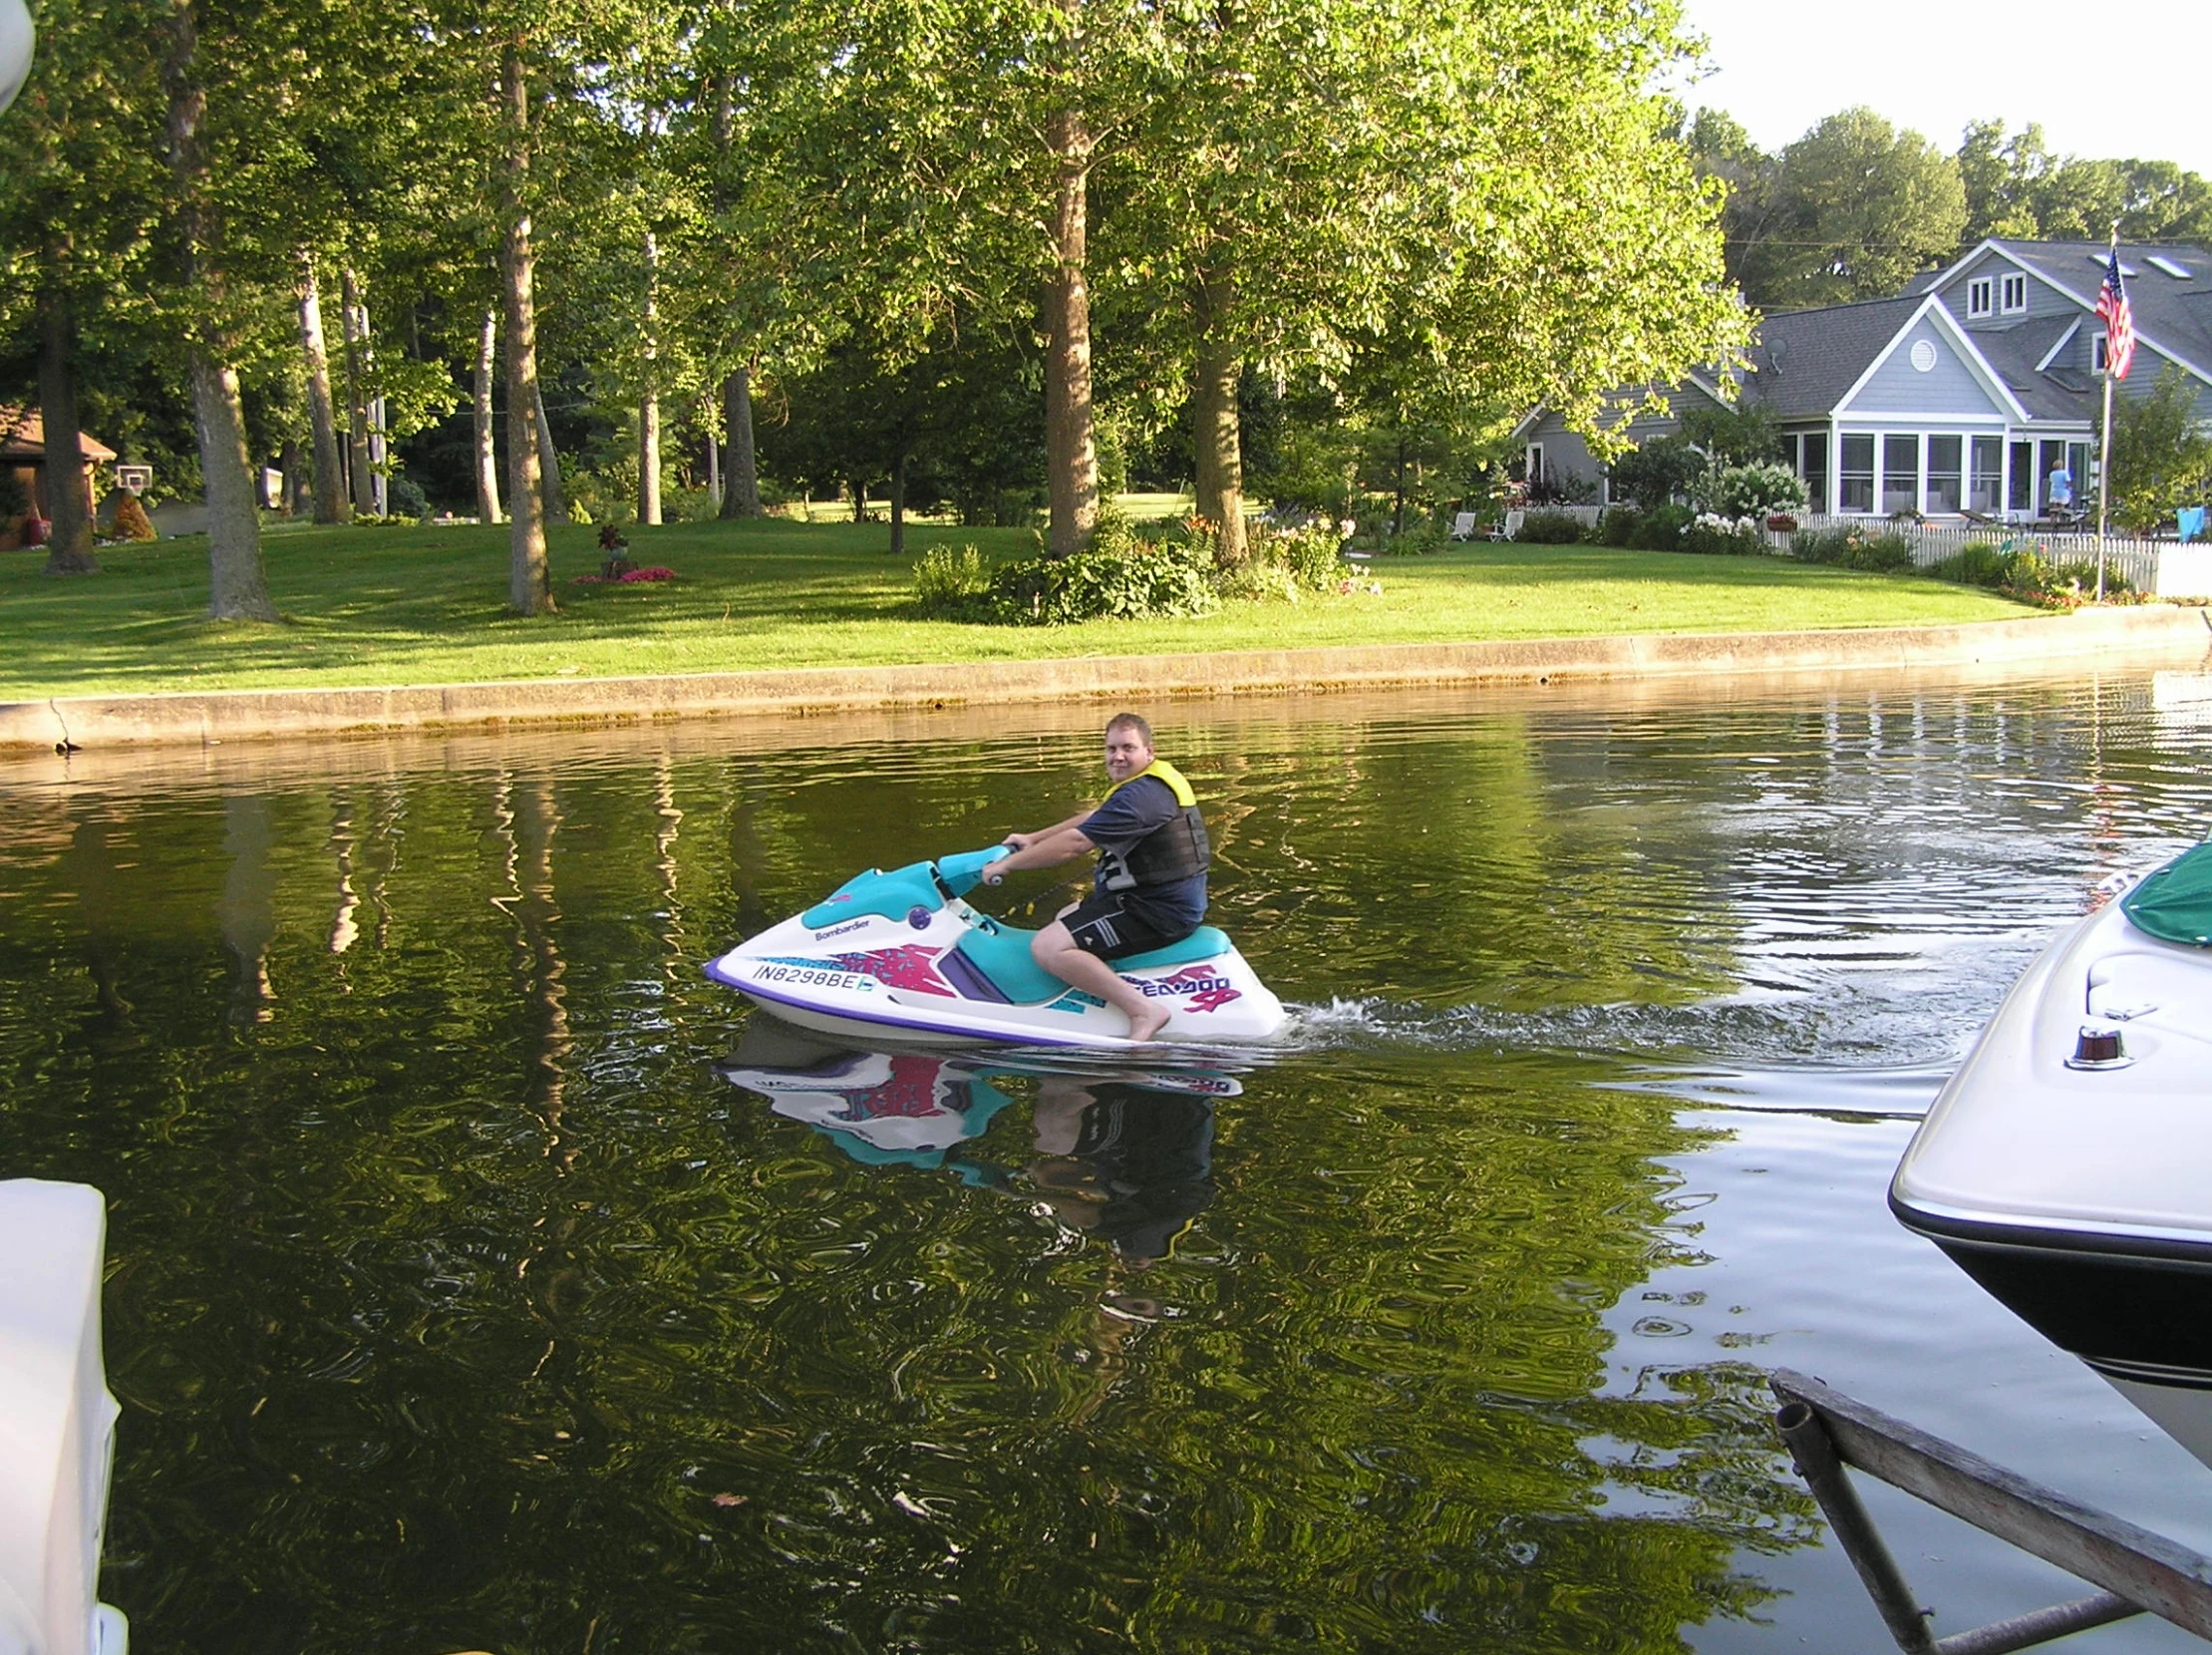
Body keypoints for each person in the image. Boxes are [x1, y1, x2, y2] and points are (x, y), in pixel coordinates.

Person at [986, 713, 1209, 1041]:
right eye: (1111, 749)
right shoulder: (1145, 786)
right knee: (1066, 916)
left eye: (1127, 748)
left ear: (1149, 751)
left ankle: (1143, 1010)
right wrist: (1034, 838)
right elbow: (1093, 817)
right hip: (1156, 902)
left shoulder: (1141, 799)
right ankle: (1097, 995)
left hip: (1156, 912)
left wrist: (1007, 866)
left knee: (1047, 947)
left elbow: (1076, 844)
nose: (1117, 756)